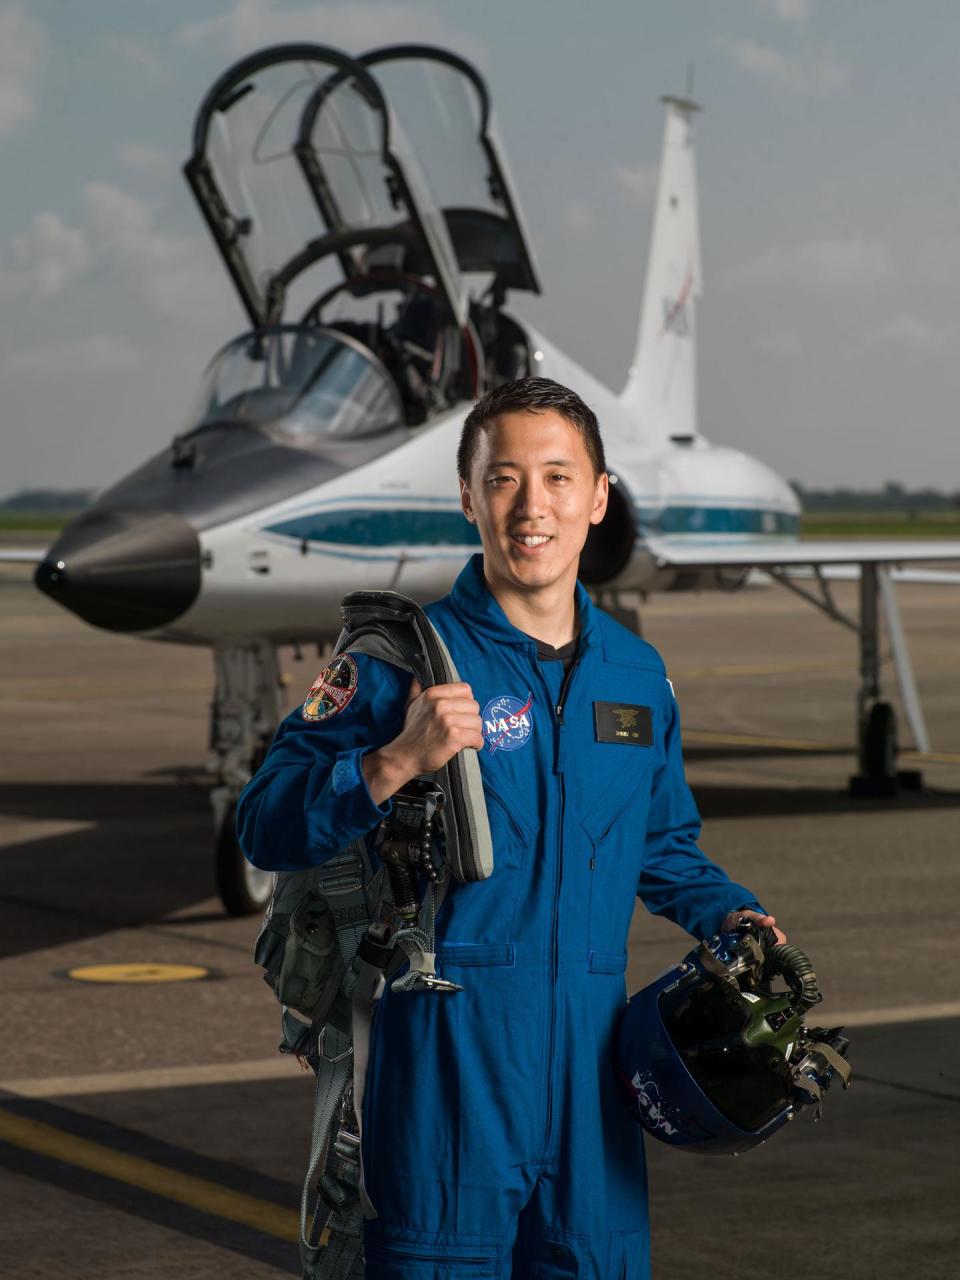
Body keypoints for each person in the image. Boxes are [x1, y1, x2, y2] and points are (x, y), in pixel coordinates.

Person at [238, 377, 784, 1280]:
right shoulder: (394, 662)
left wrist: (730, 915)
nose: (533, 507)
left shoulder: (638, 676)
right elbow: (265, 823)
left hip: (595, 1086)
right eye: (503, 478)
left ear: (599, 496)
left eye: (559, 477)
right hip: (446, 1077)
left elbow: (660, 845)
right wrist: (389, 764)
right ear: (467, 496)